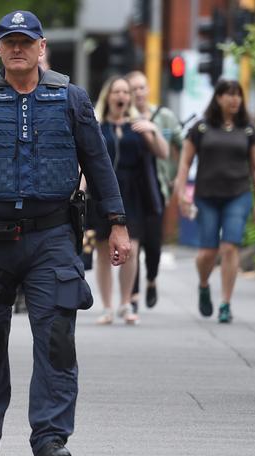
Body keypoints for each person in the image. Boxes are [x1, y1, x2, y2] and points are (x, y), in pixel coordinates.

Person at [0, 10, 130, 456]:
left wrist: (117, 222)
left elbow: (98, 164)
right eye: (9, 41)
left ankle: (51, 439)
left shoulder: (71, 99)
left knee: (56, 338)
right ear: (0, 49)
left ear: (41, 48)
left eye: (26, 41)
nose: (17, 48)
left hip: (52, 236)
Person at [175, 79, 255, 324]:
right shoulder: (201, 128)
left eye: (238, 95)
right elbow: (185, 162)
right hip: (207, 196)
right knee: (207, 253)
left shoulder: (248, 130)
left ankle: (225, 302)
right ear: (218, 98)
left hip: (238, 194)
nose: (234, 99)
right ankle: (204, 285)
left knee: (229, 247)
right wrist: (182, 192)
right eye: (229, 95)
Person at [89, 75, 169, 325]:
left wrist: (152, 131)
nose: (122, 96)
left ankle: (126, 302)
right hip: (103, 193)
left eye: (126, 92)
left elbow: (163, 153)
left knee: (131, 248)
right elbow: (85, 162)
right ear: (108, 97)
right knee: (102, 249)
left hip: (133, 192)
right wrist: (78, 190)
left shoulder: (139, 125)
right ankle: (107, 306)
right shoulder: (97, 126)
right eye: (117, 92)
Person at [126, 70, 183, 314]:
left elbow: (181, 145)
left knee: (153, 243)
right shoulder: (124, 117)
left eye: (142, 87)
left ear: (148, 89)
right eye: (133, 88)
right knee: (133, 243)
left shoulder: (164, 116)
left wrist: (176, 176)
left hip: (156, 187)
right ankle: (133, 294)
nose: (138, 92)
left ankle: (151, 280)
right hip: (130, 190)